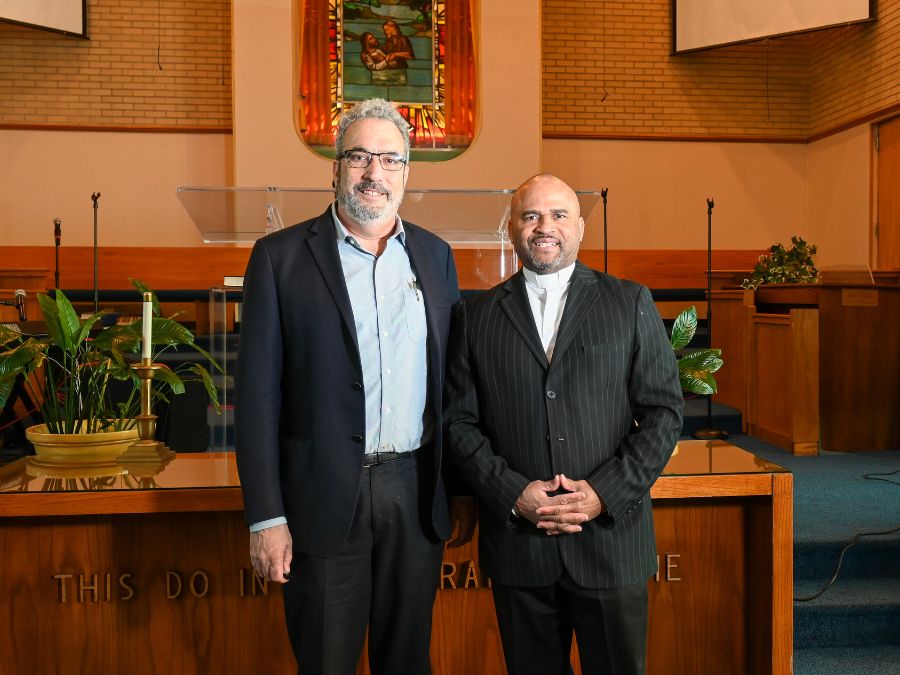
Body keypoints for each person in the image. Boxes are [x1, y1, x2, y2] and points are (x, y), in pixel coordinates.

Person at [235, 98, 475, 675]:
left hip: (414, 493)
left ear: (406, 173)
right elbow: (257, 399)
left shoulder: (435, 257)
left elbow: (454, 385)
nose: (375, 173)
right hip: (321, 497)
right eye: (361, 157)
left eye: (390, 160)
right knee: (326, 661)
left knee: (407, 660)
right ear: (336, 167)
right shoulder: (279, 259)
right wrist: (266, 518)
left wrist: (460, 490)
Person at [444, 174, 684, 675]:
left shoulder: (629, 301)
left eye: (557, 215)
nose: (544, 227)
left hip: (610, 543)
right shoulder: (476, 316)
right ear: (511, 228)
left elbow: (663, 412)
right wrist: (514, 493)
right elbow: (459, 423)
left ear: (580, 228)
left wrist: (603, 493)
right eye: (530, 216)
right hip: (520, 546)